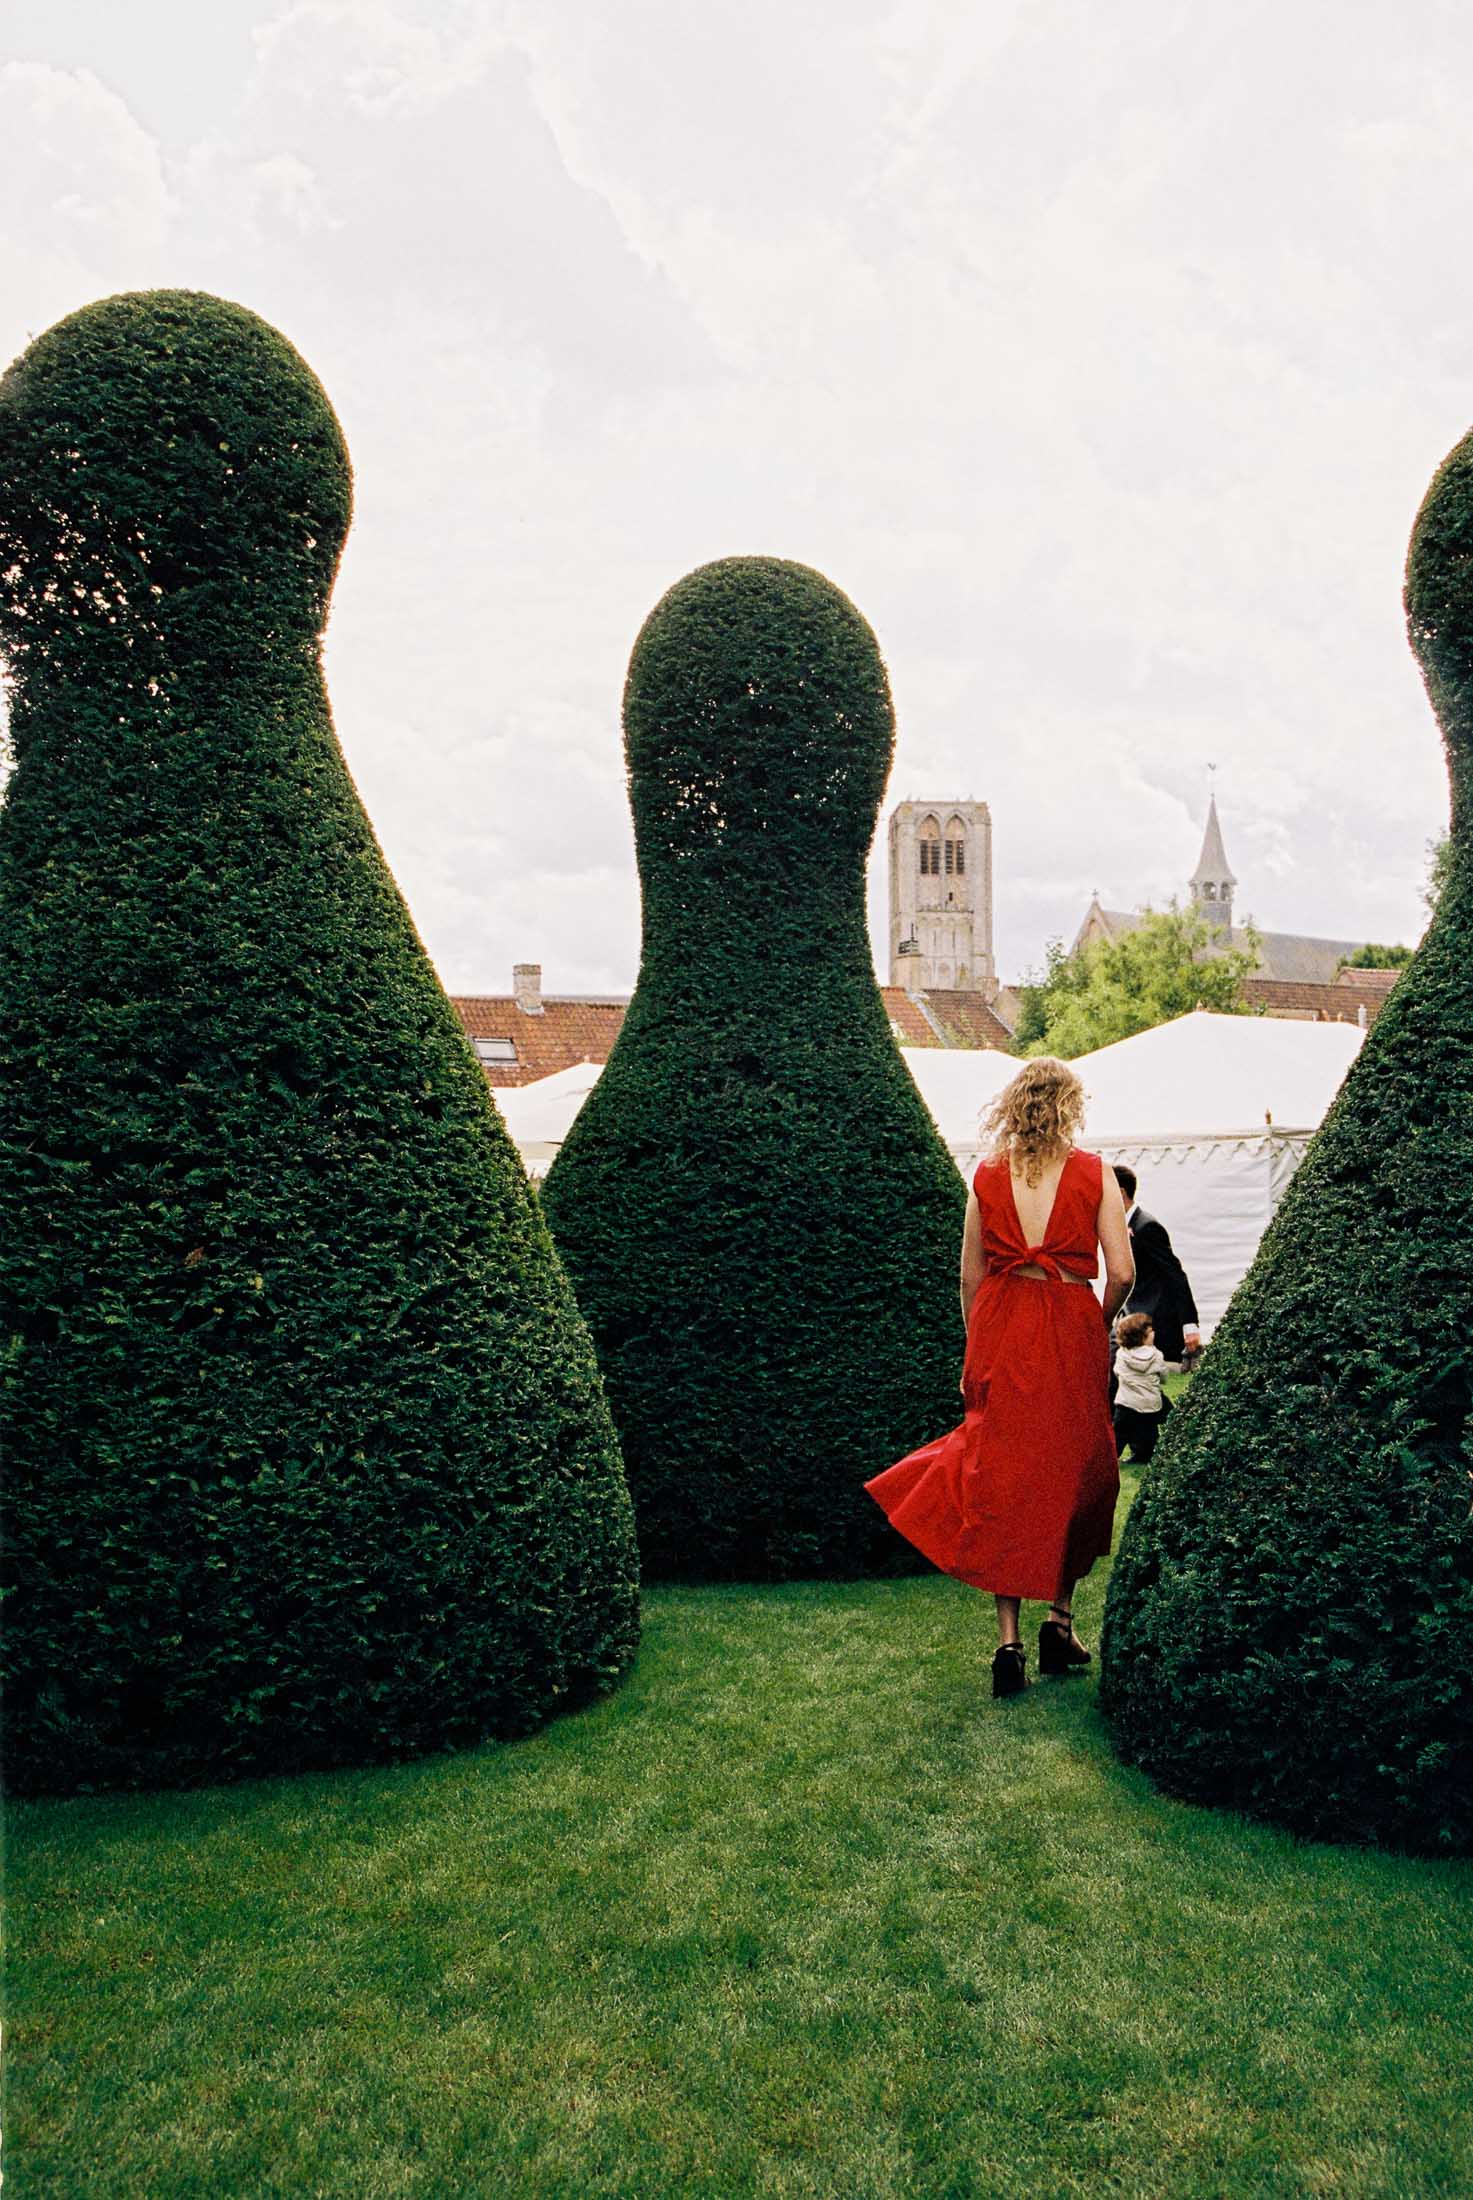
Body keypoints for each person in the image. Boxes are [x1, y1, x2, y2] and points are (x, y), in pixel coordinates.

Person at [865, 1056, 1134, 1700]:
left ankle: (1008, 1642)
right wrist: (1094, 1322)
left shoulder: (986, 1176)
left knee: (1003, 1478)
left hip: (1002, 1327)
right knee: (1078, 1473)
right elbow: (1121, 1273)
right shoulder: (1096, 1174)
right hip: (1069, 1322)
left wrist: (977, 1344)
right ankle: (1061, 1621)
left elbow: (969, 1276)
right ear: (1069, 1105)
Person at [1111, 1164, 1201, 1368]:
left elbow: (1175, 1275)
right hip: (1130, 1315)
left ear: (1120, 1192)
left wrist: (1189, 1324)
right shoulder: (1123, 1224)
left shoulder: (1147, 1226)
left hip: (1150, 1320)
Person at [1111, 1311, 1172, 1463]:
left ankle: (1110, 1457)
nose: (1154, 1334)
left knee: (1119, 1434)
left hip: (1126, 1403)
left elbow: (1117, 1372)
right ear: (1142, 1336)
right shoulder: (1156, 1355)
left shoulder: (1122, 1354)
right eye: (1150, 1332)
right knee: (1148, 1434)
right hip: (1149, 1404)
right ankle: (1143, 1455)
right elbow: (1163, 1375)